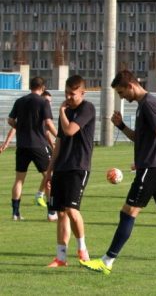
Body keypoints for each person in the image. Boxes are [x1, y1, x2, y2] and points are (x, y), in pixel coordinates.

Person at [81, 70, 156, 278]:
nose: (120, 96)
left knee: (128, 212)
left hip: (152, 169)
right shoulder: (142, 106)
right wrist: (121, 126)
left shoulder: (150, 104)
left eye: (121, 91)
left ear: (131, 86)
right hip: (154, 167)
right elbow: (140, 138)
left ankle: (107, 261)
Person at [43, 75, 95, 267]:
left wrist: (62, 112)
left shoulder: (87, 108)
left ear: (83, 92)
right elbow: (59, 141)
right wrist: (49, 170)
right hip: (62, 167)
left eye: (72, 94)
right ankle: (61, 257)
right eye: (66, 93)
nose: (68, 97)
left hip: (78, 167)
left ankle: (83, 250)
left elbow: (70, 130)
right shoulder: (65, 111)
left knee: (72, 210)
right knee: (61, 213)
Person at [6, 77, 58, 220]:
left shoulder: (20, 101)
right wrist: (61, 136)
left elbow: (10, 120)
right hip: (38, 145)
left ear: (31, 86)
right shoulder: (43, 102)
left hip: (22, 145)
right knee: (49, 178)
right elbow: (48, 123)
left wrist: (21, 128)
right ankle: (51, 212)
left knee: (19, 180)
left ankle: (15, 213)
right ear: (42, 87)